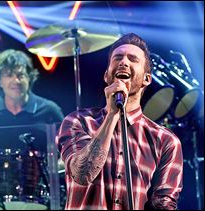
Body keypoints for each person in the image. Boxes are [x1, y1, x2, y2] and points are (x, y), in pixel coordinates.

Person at [56, 33, 183, 210]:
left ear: (147, 78)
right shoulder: (78, 121)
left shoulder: (166, 141)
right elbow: (82, 174)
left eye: (133, 59)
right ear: (106, 75)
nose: (123, 62)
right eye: (118, 57)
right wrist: (112, 115)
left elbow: (163, 204)